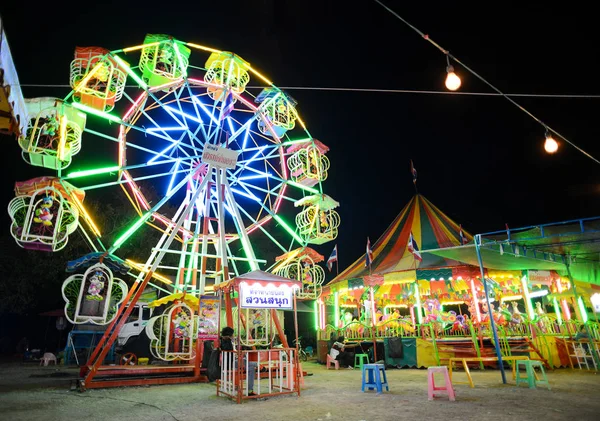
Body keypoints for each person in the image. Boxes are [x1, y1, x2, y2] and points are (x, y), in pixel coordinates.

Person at [220, 326, 258, 396]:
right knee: (248, 363)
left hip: (233, 361)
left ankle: (250, 390)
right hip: (230, 363)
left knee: (250, 368)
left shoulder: (224, 340)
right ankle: (259, 365)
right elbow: (228, 349)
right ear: (229, 335)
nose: (233, 335)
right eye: (232, 334)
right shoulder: (225, 341)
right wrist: (230, 340)